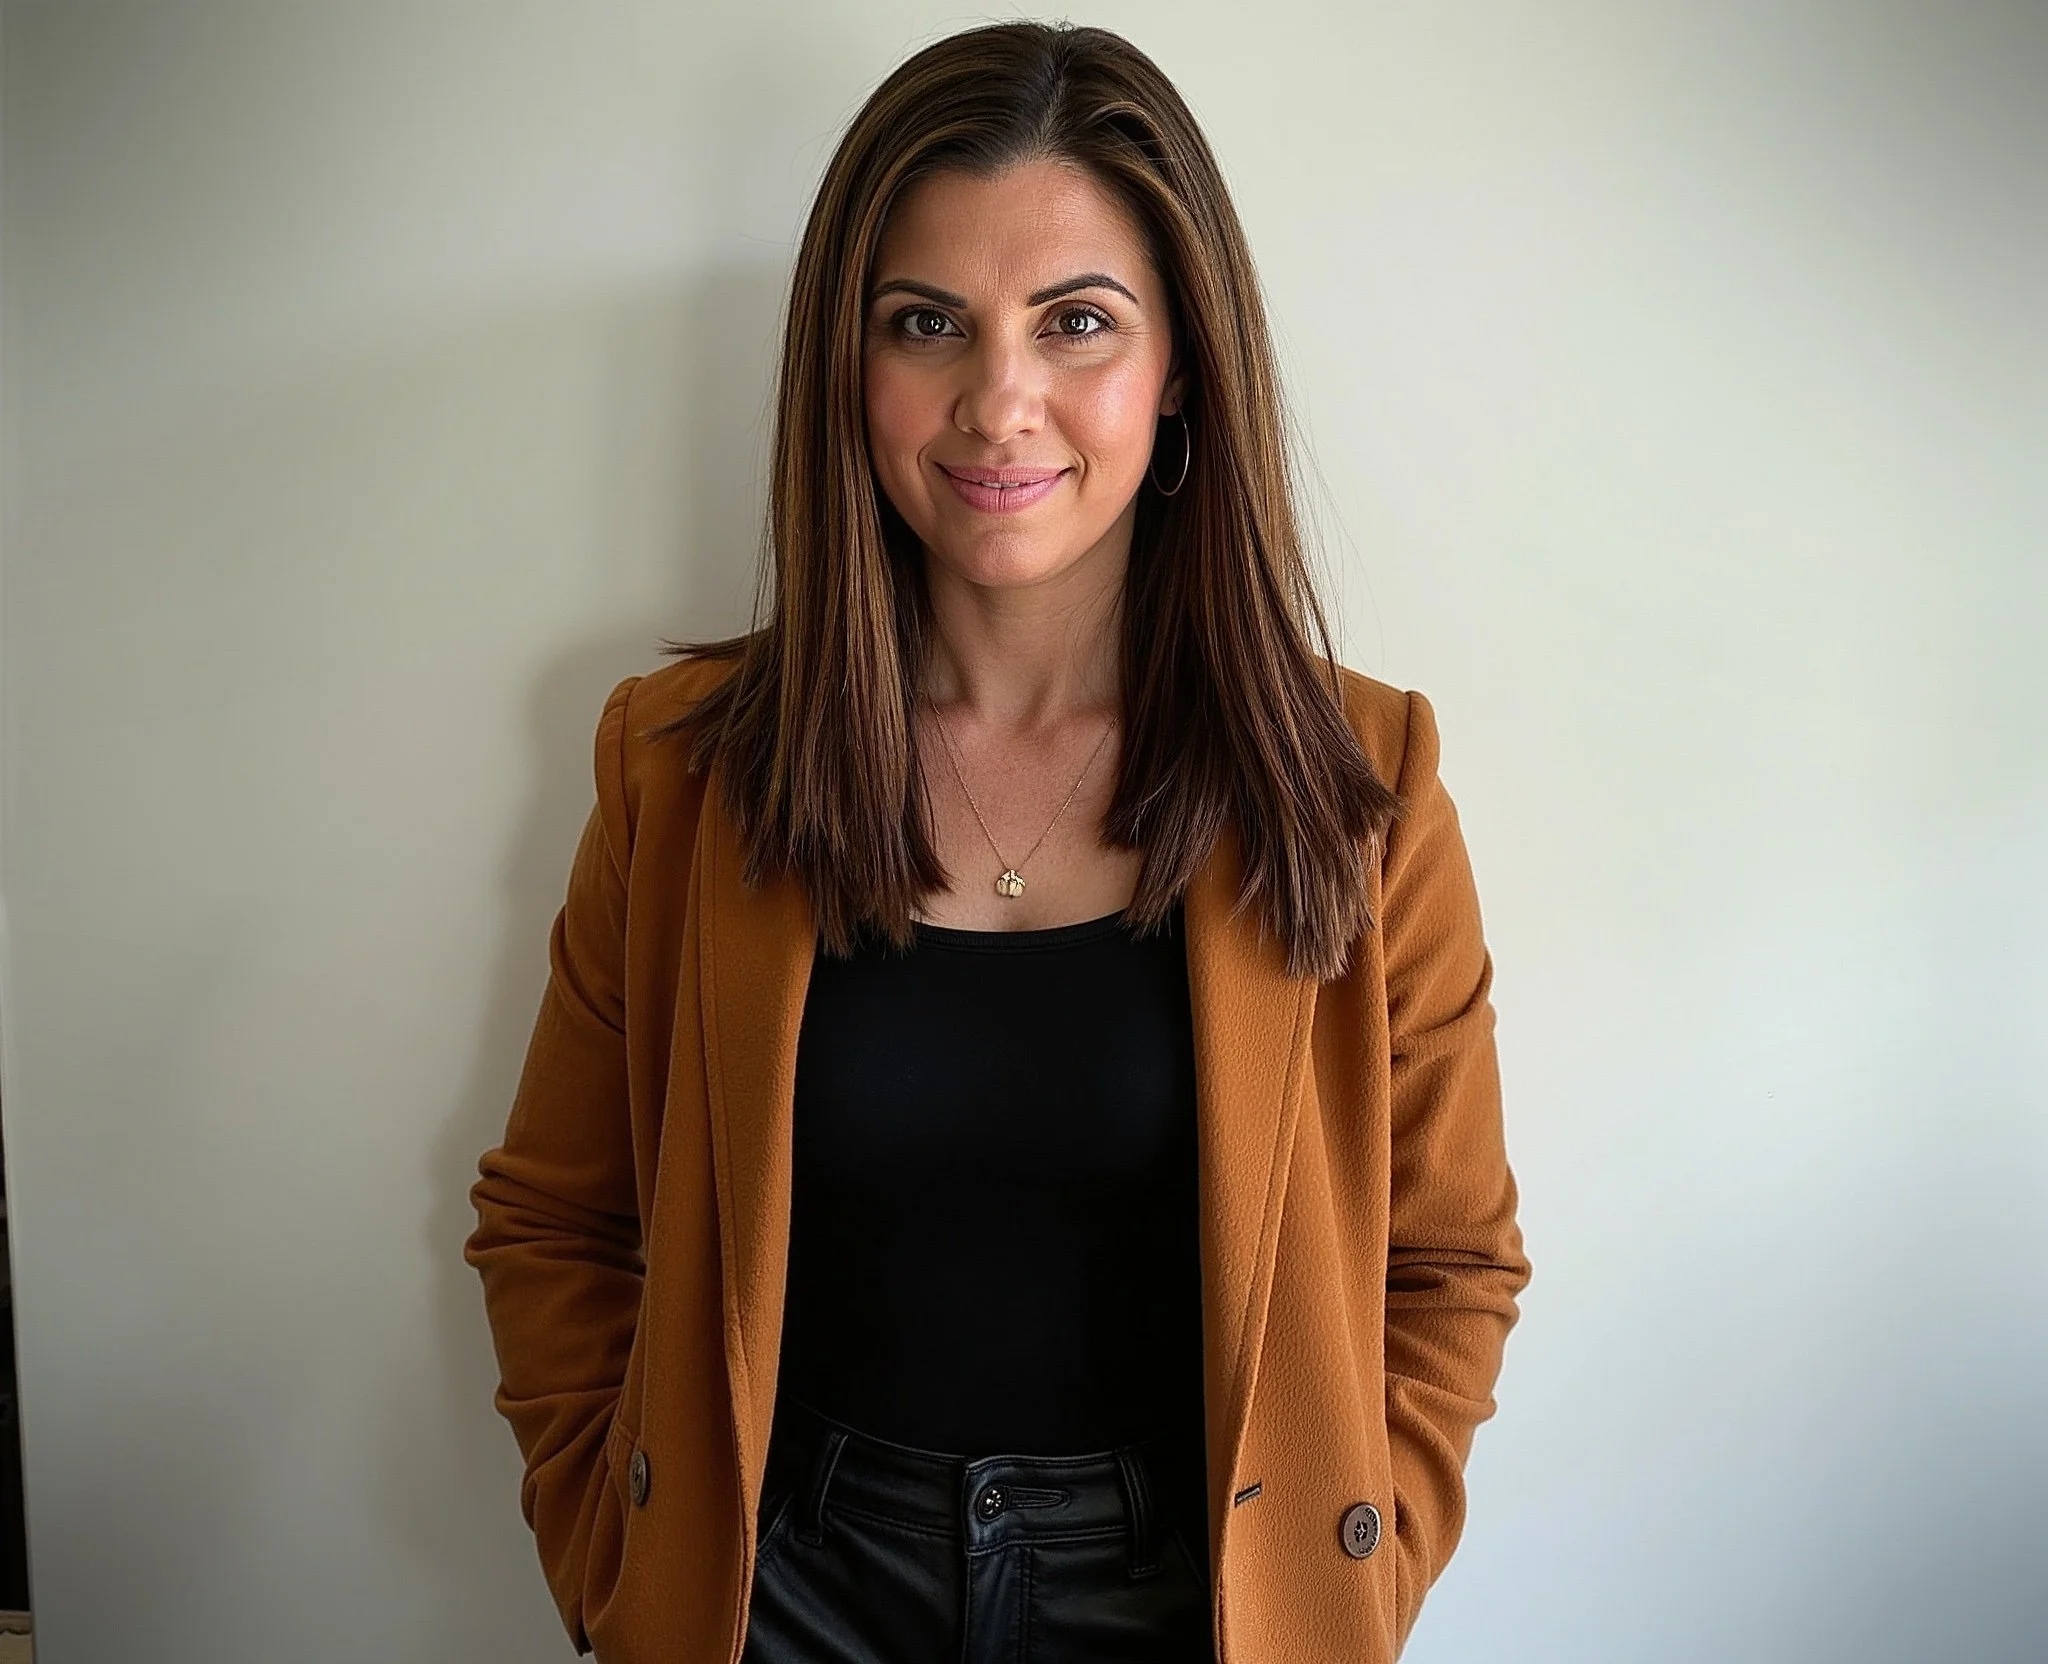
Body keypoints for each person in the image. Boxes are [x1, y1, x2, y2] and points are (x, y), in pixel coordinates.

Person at [463, 20, 1529, 1664]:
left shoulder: (1355, 778)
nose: (996, 401)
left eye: (1076, 322)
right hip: (781, 1588)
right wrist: (622, 1552)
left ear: (1182, 371)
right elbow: (556, 1218)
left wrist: (1351, 1571)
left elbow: (1451, 1262)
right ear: (851, 362)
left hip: (1195, 1597)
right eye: (927, 324)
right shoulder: (681, 773)